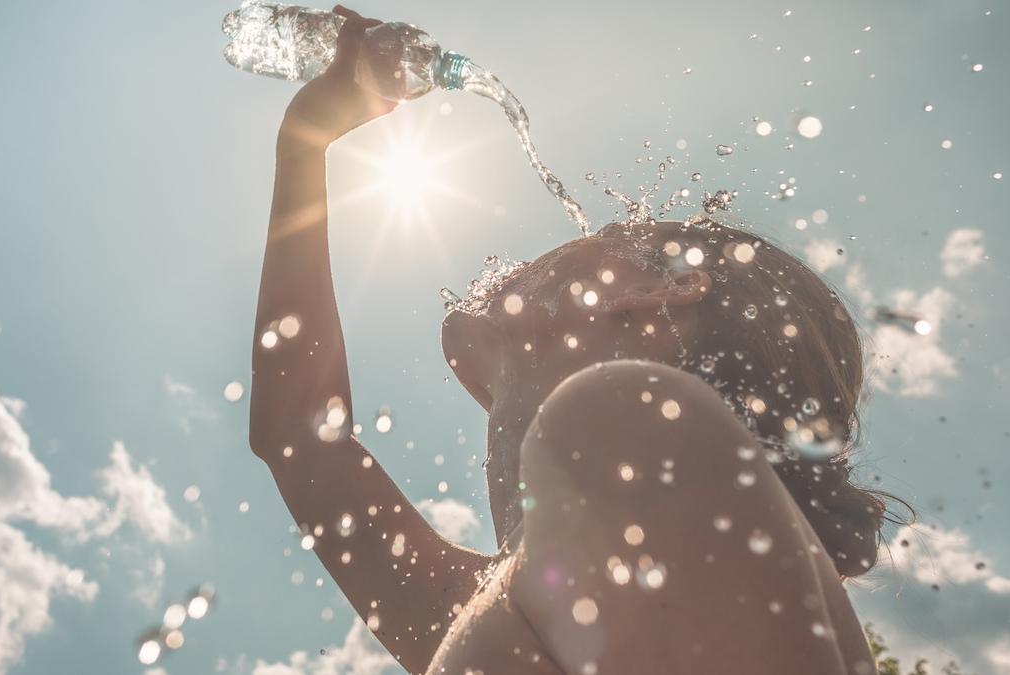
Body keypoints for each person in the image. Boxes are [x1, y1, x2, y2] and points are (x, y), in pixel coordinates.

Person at [248, 6, 902, 674]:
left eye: (618, 235)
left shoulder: (624, 412)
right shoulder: (489, 603)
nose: (564, 244)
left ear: (661, 290)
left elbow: (300, 437)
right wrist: (304, 145)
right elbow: (298, 433)